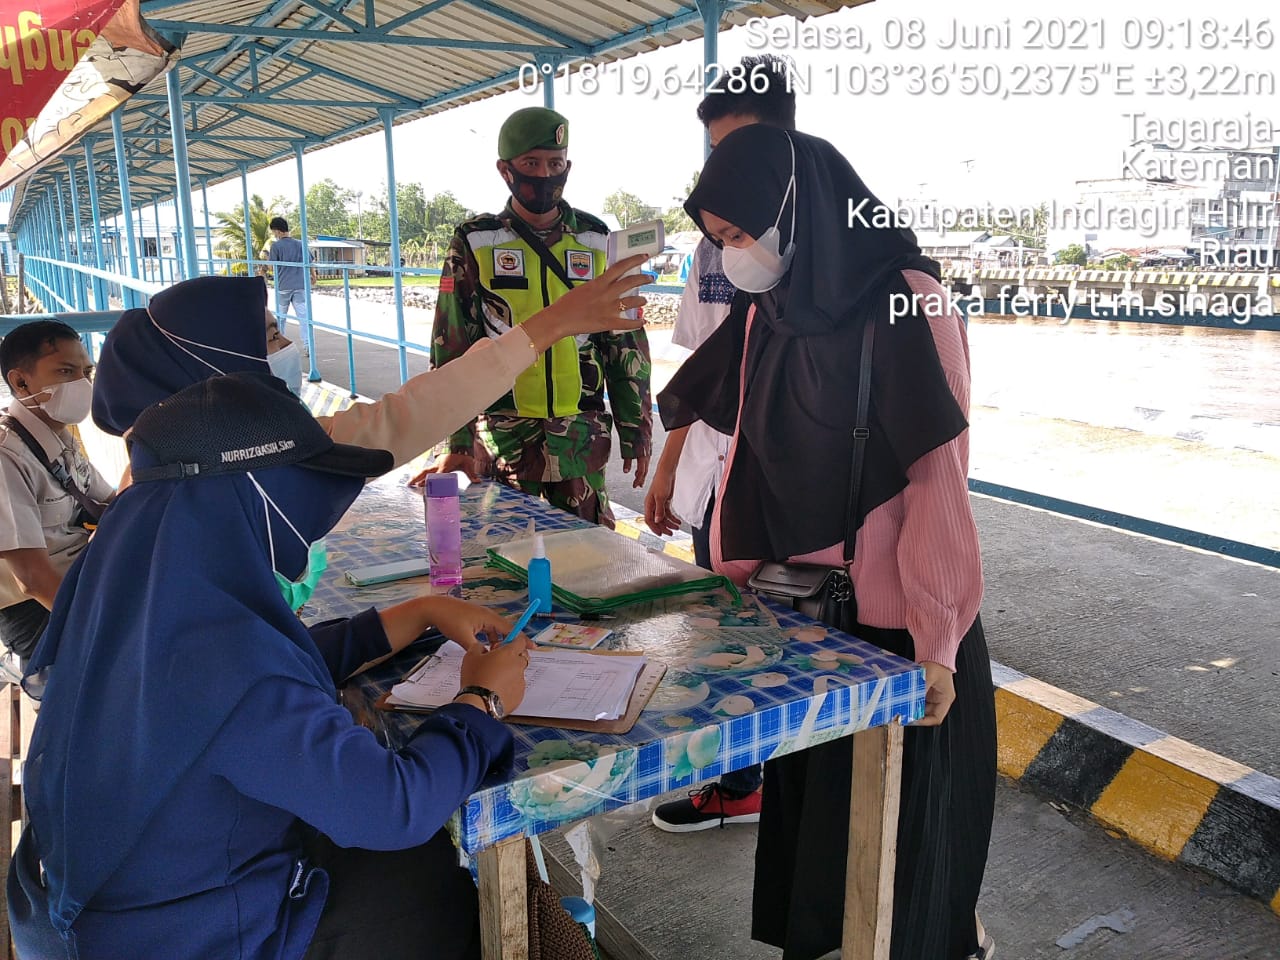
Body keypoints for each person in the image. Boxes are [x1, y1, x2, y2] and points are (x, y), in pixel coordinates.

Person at [7, 371, 536, 960]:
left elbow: (272, 666)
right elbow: (394, 807)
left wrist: (419, 612)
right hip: (173, 938)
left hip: (86, 902)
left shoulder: (130, 591)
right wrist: (481, 703)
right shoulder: (230, 667)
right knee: (436, 878)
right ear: (260, 498)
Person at [657, 125, 997, 960]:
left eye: (741, 233)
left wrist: (937, 639)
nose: (733, 256)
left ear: (796, 207)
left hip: (900, 635)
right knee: (819, 862)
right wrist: (732, 583)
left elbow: (937, 474)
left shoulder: (910, 299)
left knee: (904, 868)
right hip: (804, 625)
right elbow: (746, 453)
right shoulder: (770, 309)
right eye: (720, 239)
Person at [646, 53, 796, 833]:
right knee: (720, 628)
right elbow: (695, 372)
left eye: (738, 146)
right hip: (713, 478)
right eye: (714, 152)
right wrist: (666, 471)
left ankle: (774, 783)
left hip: (785, 486)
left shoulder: (821, 244)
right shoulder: (710, 246)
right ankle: (736, 783)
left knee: (782, 635)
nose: (722, 168)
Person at [91, 265, 649, 470]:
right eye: (270, 338)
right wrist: (550, 325)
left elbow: (405, 415)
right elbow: (403, 420)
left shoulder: (176, 458)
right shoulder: (233, 468)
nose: (287, 347)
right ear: (215, 368)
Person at [429, 106, 653, 528]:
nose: (545, 174)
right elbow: (451, 345)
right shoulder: (475, 240)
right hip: (503, 442)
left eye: (555, 163)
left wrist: (636, 430)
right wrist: (456, 441)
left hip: (580, 441)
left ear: (568, 166)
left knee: (587, 555)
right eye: (531, 163)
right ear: (506, 170)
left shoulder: (597, 239)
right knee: (503, 554)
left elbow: (623, 340)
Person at [0, 321, 112, 676]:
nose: (83, 384)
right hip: (36, 609)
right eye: (66, 371)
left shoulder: (60, 438)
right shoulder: (6, 456)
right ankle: (26, 667)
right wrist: (99, 630)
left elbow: (112, 503)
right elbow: (33, 579)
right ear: (21, 382)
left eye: (86, 372)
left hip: (80, 574)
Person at [267, 216, 309, 336]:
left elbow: (271, 267)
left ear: (278, 231)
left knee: (281, 317)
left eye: (274, 232)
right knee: (303, 317)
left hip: (283, 286)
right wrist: (313, 276)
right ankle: (307, 343)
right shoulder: (300, 244)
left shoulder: (276, 246)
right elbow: (309, 262)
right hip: (299, 285)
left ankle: (280, 341)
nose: (274, 235)